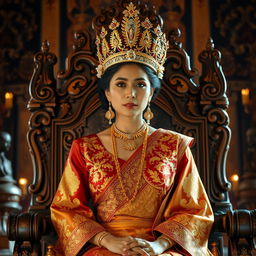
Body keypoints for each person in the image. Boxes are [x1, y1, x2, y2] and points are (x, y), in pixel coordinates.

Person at [50, 2, 214, 255]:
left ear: (151, 93)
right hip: (104, 247)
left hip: (158, 248)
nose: (130, 93)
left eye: (140, 84)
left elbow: (195, 210)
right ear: (107, 92)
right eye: (121, 84)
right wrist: (107, 240)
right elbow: (66, 209)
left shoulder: (174, 145)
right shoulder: (84, 149)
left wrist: (158, 245)